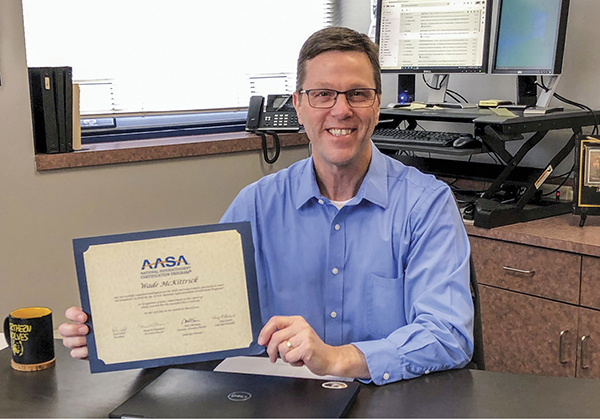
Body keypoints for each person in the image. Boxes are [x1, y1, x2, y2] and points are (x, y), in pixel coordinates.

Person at [59, 27, 473, 385]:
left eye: (358, 94)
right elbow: (204, 322)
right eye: (322, 94)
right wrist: (115, 332)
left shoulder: (427, 205)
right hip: (278, 400)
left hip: (388, 397)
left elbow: (448, 334)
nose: (341, 109)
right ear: (298, 105)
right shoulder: (256, 204)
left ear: (377, 104)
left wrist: (337, 358)